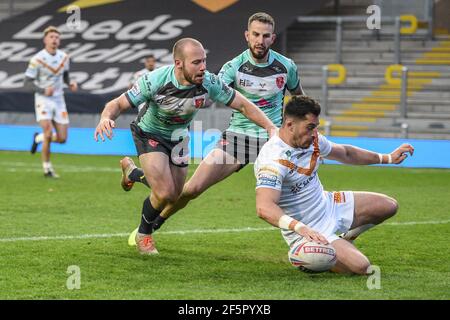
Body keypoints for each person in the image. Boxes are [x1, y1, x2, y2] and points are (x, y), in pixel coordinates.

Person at [121, 12, 304, 247]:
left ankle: (320, 233)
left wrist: (305, 128)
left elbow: (299, 100)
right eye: (256, 34)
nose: (260, 40)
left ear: (273, 38)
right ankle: (153, 223)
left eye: (266, 36)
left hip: (275, 140)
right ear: (247, 36)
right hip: (239, 139)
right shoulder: (233, 67)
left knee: (299, 190)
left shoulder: (286, 66)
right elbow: (209, 91)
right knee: (191, 189)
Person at [94, 38, 277, 255]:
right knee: (163, 192)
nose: (203, 68)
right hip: (150, 134)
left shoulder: (209, 82)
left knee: (174, 195)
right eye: (196, 62)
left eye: (204, 61)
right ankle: (144, 235)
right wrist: (106, 118)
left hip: (179, 138)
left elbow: (243, 105)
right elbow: (118, 103)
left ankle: (133, 173)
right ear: (178, 64)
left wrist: (270, 127)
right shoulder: (154, 80)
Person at [254, 95, 414, 275]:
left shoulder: (312, 140)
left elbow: (345, 153)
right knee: (362, 267)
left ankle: (346, 239)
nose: (314, 133)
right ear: (290, 125)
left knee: (388, 206)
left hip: (329, 203)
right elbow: (264, 207)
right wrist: (300, 228)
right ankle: (313, 254)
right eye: (310, 127)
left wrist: (388, 158)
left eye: (316, 127)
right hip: (308, 229)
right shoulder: (272, 159)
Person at [25, 26, 78, 178]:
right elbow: (26, 83)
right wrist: (42, 90)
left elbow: (65, 75)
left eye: (56, 37)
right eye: (51, 37)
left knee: (62, 138)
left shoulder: (64, 57)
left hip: (59, 99)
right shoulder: (37, 59)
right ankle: (47, 169)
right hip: (43, 99)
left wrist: (70, 83)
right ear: (45, 40)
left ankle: (38, 138)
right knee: (48, 131)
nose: (54, 39)